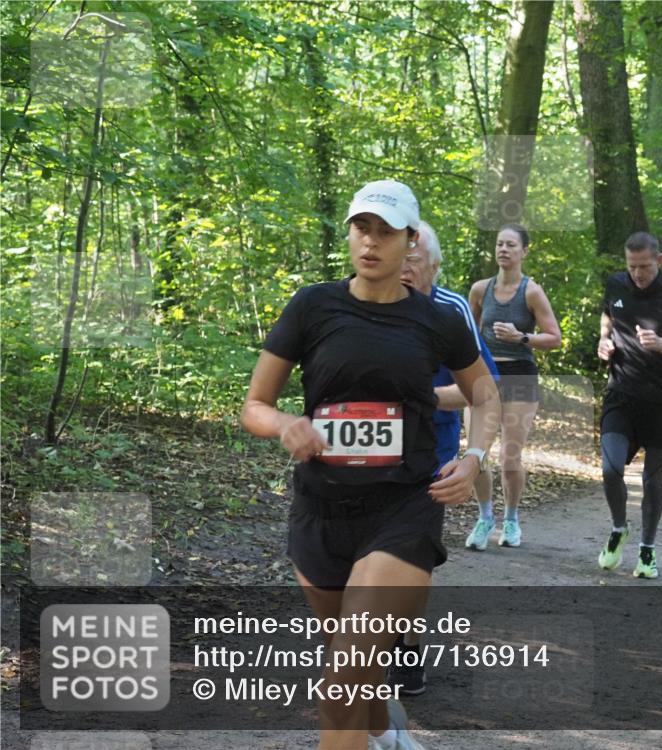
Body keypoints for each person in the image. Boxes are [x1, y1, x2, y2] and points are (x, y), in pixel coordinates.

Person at [241, 180, 500, 750]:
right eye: (363, 228)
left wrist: (475, 455)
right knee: (352, 668)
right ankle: (385, 730)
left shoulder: (437, 320)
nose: (372, 242)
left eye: (387, 232)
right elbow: (254, 406)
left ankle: (371, 721)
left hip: (402, 511)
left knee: (340, 686)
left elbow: (486, 396)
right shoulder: (313, 306)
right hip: (320, 512)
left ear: (410, 241)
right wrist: (287, 424)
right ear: (350, 232)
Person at [390, 220, 499, 697]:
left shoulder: (450, 309)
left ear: (433, 265)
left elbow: (481, 392)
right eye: (401, 257)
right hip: (365, 458)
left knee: (411, 561)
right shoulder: (367, 307)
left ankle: (408, 649)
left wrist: (423, 398)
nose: (404, 267)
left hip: (429, 457)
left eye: (414, 259)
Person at [596, 232, 662, 579]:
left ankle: (647, 550)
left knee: (651, 479)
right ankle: (618, 528)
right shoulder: (616, 284)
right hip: (621, 392)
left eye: (644, 267)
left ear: (660, 260)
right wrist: (603, 342)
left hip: (661, 398)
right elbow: (607, 317)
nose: (637, 274)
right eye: (632, 267)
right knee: (611, 470)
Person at [468, 224, 561, 549]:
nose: (503, 250)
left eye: (510, 245)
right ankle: (484, 518)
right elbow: (470, 333)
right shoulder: (480, 289)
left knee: (510, 458)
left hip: (520, 375)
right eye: (499, 244)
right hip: (484, 376)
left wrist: (521, 337)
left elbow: (555, 338)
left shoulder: (531, 292)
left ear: (524, 251)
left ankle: (511, 520)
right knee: (476, 454)